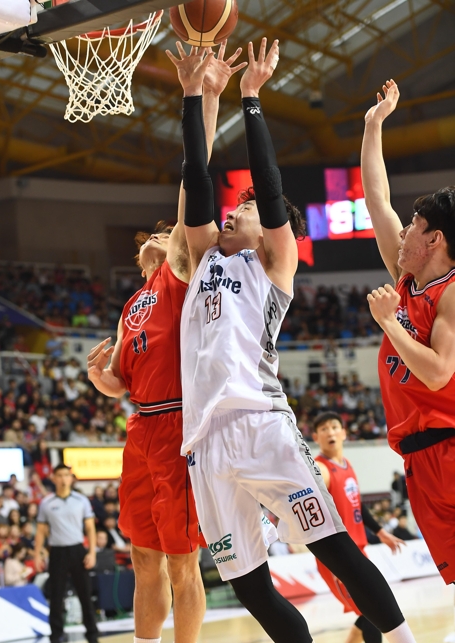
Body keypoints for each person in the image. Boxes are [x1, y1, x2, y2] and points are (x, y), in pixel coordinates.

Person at [171, 37, 416, 643]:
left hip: (261, 424)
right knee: (251, 586)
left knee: (334, 548)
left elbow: (270, 188)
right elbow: (198, 183)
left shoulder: (273, 265)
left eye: (248, 207)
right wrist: (193, 96)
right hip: (205, 443)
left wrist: (250, 98)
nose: (236, 209)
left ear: (273, 228)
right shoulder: (206, 258)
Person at [87, 42, 246, 643]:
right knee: (144, 558)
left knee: (183, 561)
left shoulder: (180, 270)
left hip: (181, 428)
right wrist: (101, 379)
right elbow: (120, 383)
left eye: (168, 230)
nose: (163, 233)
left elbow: (195, 178)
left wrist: (201, 96)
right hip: (140, 430)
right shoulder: (134, 305)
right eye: (154, 235)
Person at [361, 80, 455, 641]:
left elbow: (441, 372)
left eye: (414, 227)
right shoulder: (408, 277)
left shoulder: (451, 291)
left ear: (435, 238)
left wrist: (390, 324)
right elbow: (377, 198)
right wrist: (374, 125)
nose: (403, 232)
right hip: (421, 459)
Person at [312, 411, 405, 643]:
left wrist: (381, 532)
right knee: (371, 610)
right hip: (339, 556)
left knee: (369, 608)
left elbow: (357, 504)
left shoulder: (347, 465)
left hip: (358, 550)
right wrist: (333, 559)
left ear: (344, 433)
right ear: (315, 437)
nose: (330, 431)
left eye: (334, 426)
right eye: (323, 429)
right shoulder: (321, 470)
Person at [34, 464, 99, 643]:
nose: (63, 479)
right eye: (59, 475)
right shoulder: (46, 503)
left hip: (77, 550)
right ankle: (56, 636)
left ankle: (92, 635)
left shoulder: (81, 500)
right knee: (56, 597)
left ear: (71, 478)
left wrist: (92, 552)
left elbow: (90, 528)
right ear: (53, 478)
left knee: (85, 595)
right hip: (57, 552)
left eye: (66, 475)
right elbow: (40, 531)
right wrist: (37, 554)